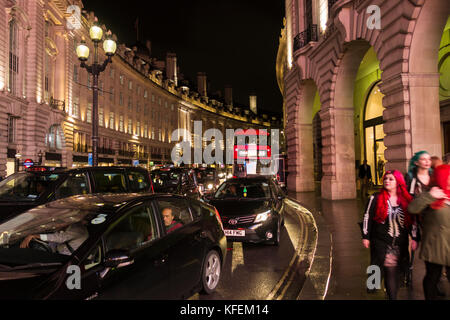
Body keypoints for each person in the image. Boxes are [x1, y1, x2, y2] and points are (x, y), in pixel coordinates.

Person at [362, 170, 417, 300]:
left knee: (395, 270)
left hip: (400, 241)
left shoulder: (407, 200)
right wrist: (365, 236)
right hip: (381, 240)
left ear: (398, 182)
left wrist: (414, 238)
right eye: (385, 178)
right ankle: (381, 289)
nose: (387, 181)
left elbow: (412, 221)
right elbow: (367, 217)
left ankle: (378, 286)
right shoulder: (374, 198)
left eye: (391, 179)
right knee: (386, 267)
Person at [408, 164, 450, 300]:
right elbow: (412, 208)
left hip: (449, 245)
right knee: (433, 277)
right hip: (435, 246)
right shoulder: (431, 193)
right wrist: (429, 196)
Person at [404, 151, 432, 287]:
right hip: (415, 216)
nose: (427, 161)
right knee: (413, 244)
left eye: (428, 159)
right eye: (423, 159)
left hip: (431, 218)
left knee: (431, 247)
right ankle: (409, 271)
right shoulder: (410, 177)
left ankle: (434, 278)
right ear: (416, 162)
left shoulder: (433, 176)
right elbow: (407, 197)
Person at [20, 221, 89, 255]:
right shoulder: (66, 228)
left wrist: (33, 236)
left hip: (69, 259)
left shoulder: (78, 229)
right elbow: (53, 240)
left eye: (59, 222)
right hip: (58, 253)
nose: (56, 225)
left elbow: (59, 238)